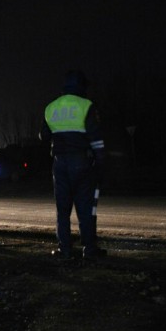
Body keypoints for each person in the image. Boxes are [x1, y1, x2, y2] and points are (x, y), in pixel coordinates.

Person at [40, 70, 106, 261]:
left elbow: (43, 136)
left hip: (59, 163)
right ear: (81, 86)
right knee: (85, 208)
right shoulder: (86, 106)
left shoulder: (51, 107)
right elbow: (96, 138)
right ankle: (89, 248)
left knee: (63, 209)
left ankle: (64, 249)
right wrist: (100, 162)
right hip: (82, 162)